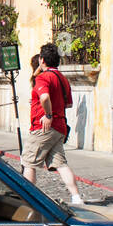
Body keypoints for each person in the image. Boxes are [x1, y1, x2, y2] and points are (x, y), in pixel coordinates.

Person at [21, 42, 84, 205]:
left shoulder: (43, 78)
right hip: (60, 126)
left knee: (28, 162)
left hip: (43, 126)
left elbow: (45, 97)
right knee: (61, 164)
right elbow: (68, 104)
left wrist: (47, 113)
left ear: (42, 60)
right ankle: (76, 197)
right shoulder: (62, 79)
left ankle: (29, 198)